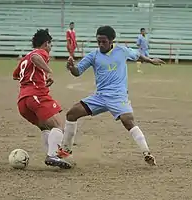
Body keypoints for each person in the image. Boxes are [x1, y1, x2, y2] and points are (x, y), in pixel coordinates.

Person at [63, 26, 165, 166]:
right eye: (98, 41)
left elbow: (137, 55)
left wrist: (150, 60)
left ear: (111, 40)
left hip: (118, 96)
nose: (100, 44)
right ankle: (65, 151)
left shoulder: (122, 51)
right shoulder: (93, 55)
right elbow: (77, 72)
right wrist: (71, 67)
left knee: (127, 120)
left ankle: (146, 153)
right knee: (72, 114)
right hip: (99, 97)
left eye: (103, 41)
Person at [13, 29, 72, 169]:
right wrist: (48, 72)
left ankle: (53, 154)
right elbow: (36, 58)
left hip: (23, 101)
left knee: (45, 127)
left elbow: (16, 75)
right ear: (46, 43)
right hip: (36, 96)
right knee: (58, 126)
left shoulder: (24, 58)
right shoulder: (40, 53)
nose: (50, 47)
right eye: (50, 44)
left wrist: (40, 77)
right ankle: (52, 155)